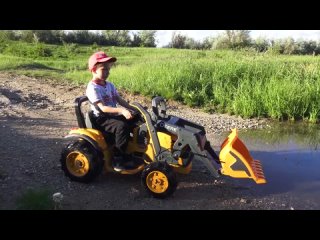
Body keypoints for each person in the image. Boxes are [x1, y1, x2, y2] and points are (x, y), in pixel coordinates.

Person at [86, 51, 138, 171]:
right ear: (94, 70)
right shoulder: (92, 88)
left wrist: (133, 109)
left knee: (136, 118)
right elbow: (103, 108)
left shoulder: (109, 85)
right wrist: (121, 111)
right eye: (104, 69)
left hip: (112, 114)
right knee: (121, 126)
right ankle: (118, 158)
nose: (107, 72)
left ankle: (133, 147)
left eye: (108, 69)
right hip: (102, 118)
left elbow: (120, 100)